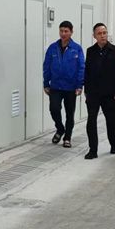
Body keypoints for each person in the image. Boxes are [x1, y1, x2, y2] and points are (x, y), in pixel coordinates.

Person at [83, 23, 115, 159]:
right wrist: (86, 90)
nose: (102, 36)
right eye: (99, 33)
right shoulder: (90, 51)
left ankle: (114, 144)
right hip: (93, 92)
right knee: (91, 120)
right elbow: (87, 72)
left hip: (109, 93)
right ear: (94, 36)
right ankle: (93, 149)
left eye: (104, 33)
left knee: (111, 120)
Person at [43, 20, 85, 148]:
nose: (63, 33)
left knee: (69, 113)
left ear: (71, 32)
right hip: (55, 86)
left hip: (71, 87)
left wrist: (79, 85)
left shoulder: (76, 49)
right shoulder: (52, 48)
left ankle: (67, 137)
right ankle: (60, 129)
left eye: (66, 31)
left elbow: (81, 68)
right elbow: (46, 66)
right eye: (61, 31)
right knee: (54, 109)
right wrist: (46, 83)